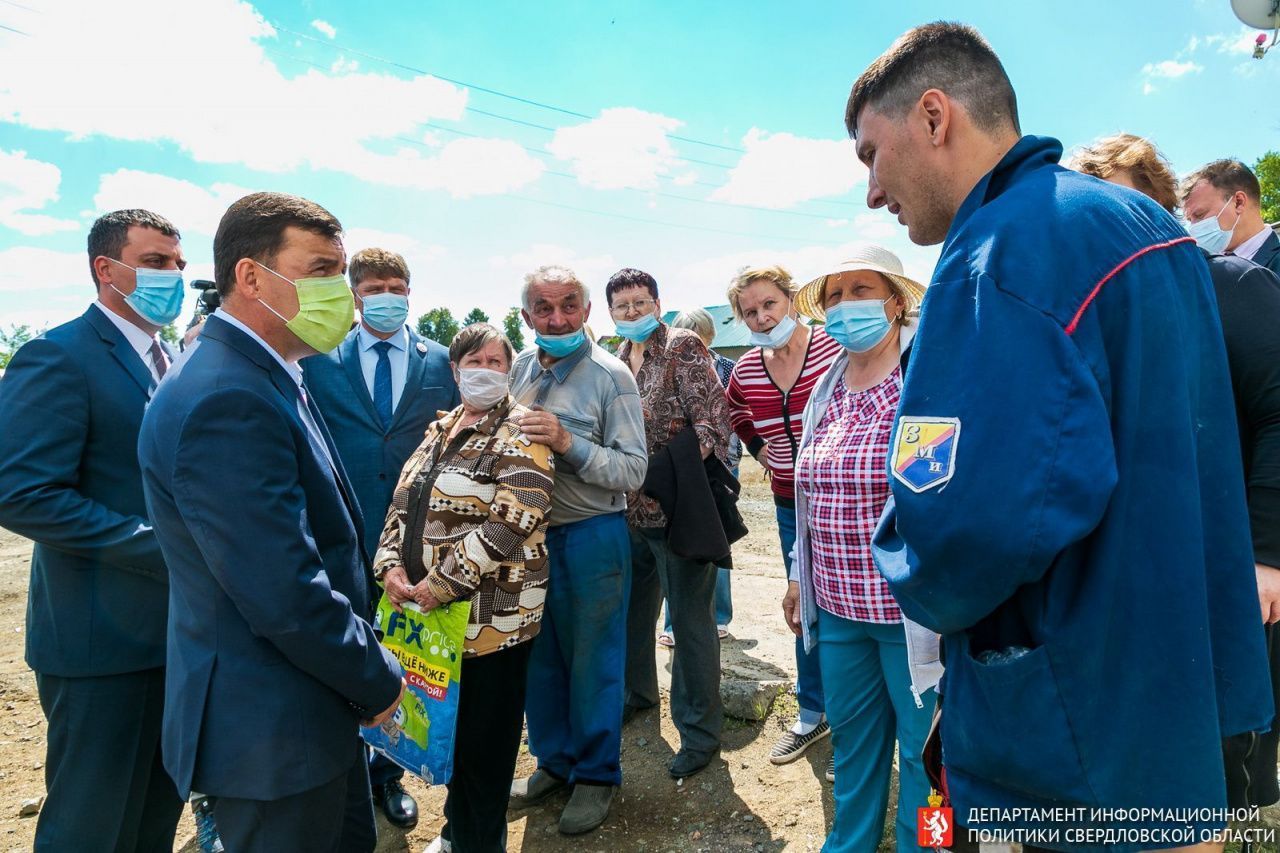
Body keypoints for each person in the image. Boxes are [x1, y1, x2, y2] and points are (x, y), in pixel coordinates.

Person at [850, 22, 1271, 851]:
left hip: (1064, 735)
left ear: (934, 117)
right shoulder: (1147, 229)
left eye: (870, 153)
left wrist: (903, 553)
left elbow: (967, 521)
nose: (871, 190)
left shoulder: (996, 256)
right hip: (1174, 702)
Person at [137, 192, 405, 853]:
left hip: (303, 716)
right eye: (318, 270)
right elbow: (284, 587)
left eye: (339, 273)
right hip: (273, 736)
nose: (338, 292)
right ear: (251, 276)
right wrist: (375, 677)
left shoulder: (267, 372)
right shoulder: (227, 394)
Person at [1072, 133, 1280, 816]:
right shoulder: (1080, 301)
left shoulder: (1232, 286)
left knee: (1222, 752)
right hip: (1122, 575)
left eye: (1118, 199)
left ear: (1161, 208)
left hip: (1221, 564)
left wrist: (1266, 553)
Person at [0, 209, 185, 852]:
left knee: (152, 821)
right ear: (107, 269)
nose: (174, 276)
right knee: (91, 825)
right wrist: (162, 548)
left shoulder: (174, 358)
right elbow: (21, 493)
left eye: (179, 264)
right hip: (99, 646)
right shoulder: (57, 355)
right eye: (157, 262)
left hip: (172, 638)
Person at [372, 323, 555, 853]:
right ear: (455, 370)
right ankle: (458, 831)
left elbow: (514, 520)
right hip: (430, 617)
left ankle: (479, 842)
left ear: (509, 371)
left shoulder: (524, 430)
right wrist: (389, 567)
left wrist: (440, 585)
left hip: (491, 624)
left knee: (487, 748)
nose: (486, 370)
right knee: (450, 734)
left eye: (498, 362)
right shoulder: (442, 428)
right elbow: (403, 504)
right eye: (475, 360)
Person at [782, 246, 936, 852]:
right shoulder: (826, 388)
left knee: (928, 757)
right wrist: (798, 577)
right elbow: (807, 496)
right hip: (841, 610)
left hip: (911, 614)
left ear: (895, 301)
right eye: (836, 296)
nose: (847, 306)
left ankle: (930, 846)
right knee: (852, 744)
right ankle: (849, 843)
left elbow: (938, 496)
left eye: (861, 290)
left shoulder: (922, 375)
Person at [303, 246, 459, 829]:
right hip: (339, 538)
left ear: (409, 292)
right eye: (371, 287)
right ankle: (342, 773)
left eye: (394, 285)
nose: (384, 295)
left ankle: (387, 776)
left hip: (416, 547)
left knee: (401, 661)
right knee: (342, 657)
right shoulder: (318, 360)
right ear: (353, 293)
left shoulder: (441, 362)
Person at [507, 265, 647, 835]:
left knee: (594, 659)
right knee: (537, 658)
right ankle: (554, 762)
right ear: (526, 317)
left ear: (587, 312)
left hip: (592, 535)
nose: (558, 318)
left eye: (569, 305)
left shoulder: (611, 377)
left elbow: (633, 470)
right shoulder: (514, 368)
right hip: (524, 540)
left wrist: (568, 442)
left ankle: (594, 774)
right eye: (544, 308)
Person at [724, 265, 843, 771]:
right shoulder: (747, 369)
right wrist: (756, 446)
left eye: (768, 304)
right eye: (749, 311)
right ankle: (812, 712)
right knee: (803, 605)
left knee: (858, 605)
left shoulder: (834, 348)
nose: (761, 316)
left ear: (791, 301)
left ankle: (860, 720)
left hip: (845, 500)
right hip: (789, 501)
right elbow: (734, 412)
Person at [614, 267, 731, 779]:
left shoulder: (681, 346)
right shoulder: (618, 358)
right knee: (634, 614)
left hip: (677, 510)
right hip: (628, 512)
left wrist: (659, 475)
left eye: (641, 303)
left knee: (689, 623)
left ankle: (700, 733)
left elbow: (713, 423)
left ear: (657, 304)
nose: (633, 313)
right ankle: (637, 695)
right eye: (623, 306)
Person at [658, 307, 739, 645]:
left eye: (700, 336)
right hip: (678, 467)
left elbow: (734, 417)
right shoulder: (664, 365)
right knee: (675, 545)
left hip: (718, 466)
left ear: (710, 336)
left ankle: (718, 617)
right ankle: (673, 625)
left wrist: (728, 460)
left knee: (715, 541)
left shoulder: (728, 368)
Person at [1182, 159, 1280, 275]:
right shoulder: (1202, 271)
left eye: (1199, 215)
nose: (1193, 228)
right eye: (1190, 220)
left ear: (1239, 202)